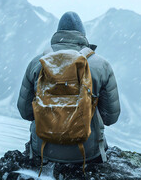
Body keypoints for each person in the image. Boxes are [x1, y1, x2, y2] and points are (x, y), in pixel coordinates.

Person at [17, 11, 120, 165]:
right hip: (86, 153)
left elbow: (25, 112)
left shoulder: (37, 63)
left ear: (58, 34)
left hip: (44, 149)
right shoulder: (101, 65)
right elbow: (110, 117)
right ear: (82, 36)